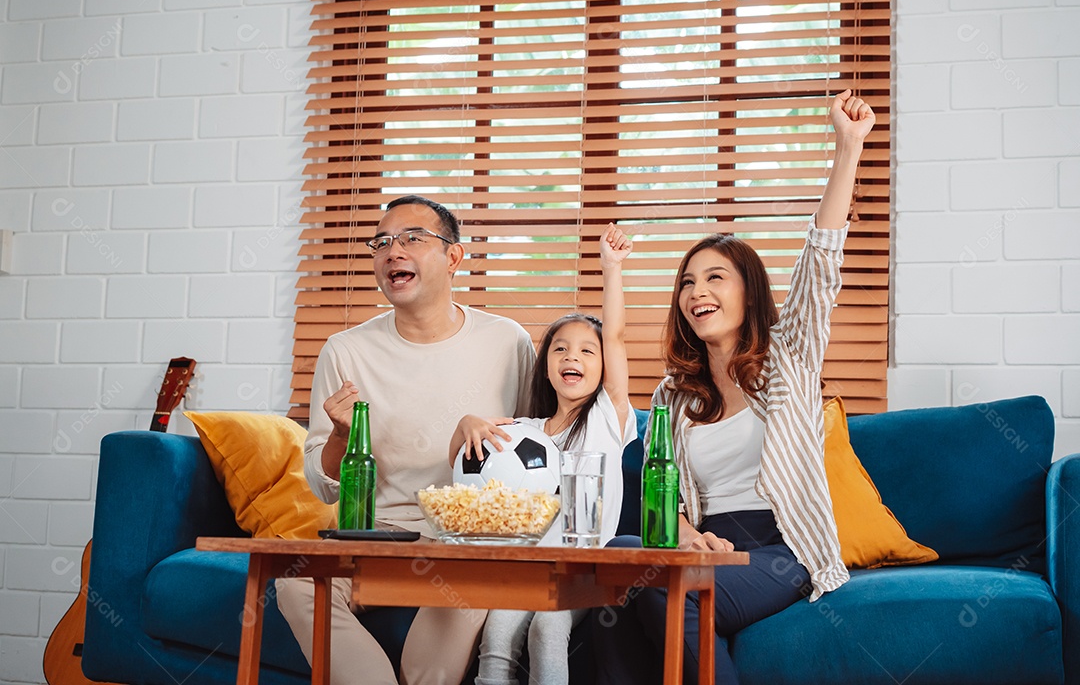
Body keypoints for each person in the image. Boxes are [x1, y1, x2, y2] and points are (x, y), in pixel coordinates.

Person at [592, 90, 876, 685]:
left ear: (749, 291)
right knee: (614, 583)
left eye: (715, 277)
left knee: (668, 592)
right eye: (687, 282)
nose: (697, 292)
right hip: (704, 544)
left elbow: (820, 260)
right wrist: (692, 537)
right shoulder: (674, 395)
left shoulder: (788, 355)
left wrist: (846, 150)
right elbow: (660, 494)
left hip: (782, 550)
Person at [276, 195, 537, 685]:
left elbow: (536, 452)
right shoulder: (346, 351)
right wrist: (338, 436)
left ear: (453, 257)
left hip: (467, 544)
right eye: (382, 243)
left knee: (467, 595)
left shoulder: (508, 342)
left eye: (412, 239)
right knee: (295, 586)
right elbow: (324, 487)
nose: (393, 252)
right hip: (377, 541)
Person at [448, 223, 636, 685]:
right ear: (546, 366)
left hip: (585, 572)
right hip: (527, 572)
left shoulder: (607, 419)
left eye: (587, 352)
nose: (573, 357)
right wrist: (464, 425)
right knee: (496, 640)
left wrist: (611, 270)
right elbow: (462, 466)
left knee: (549, 628)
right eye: (561, 349)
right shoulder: (524, 432)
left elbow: (616, 336)